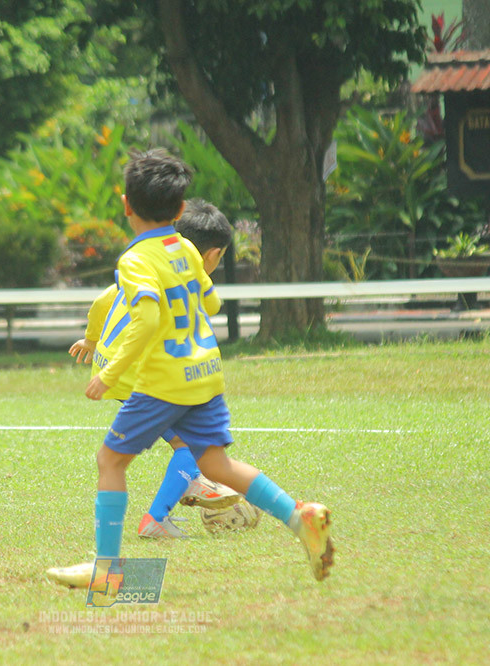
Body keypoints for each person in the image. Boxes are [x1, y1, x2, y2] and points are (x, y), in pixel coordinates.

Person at [47, 149, 334, 588]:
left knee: (110, 460)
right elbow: (212, 300)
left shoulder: (136, 259)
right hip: (205, 375)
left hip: (164, 382)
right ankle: (300, 518)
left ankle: (107, 572)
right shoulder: (183, 247)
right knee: (217, 463)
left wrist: (109, 373)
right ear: (181, 210)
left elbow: (144, 318)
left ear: (126, 205)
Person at [65, 198, 241, 544]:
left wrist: (91, 340)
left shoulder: (149, 263)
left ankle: (178, 497)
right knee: (193, 445)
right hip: (132, 372)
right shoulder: (182, 271)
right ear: (212, 256)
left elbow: (103, 301)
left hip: (114, 363)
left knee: (183, 442)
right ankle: (161, 513)